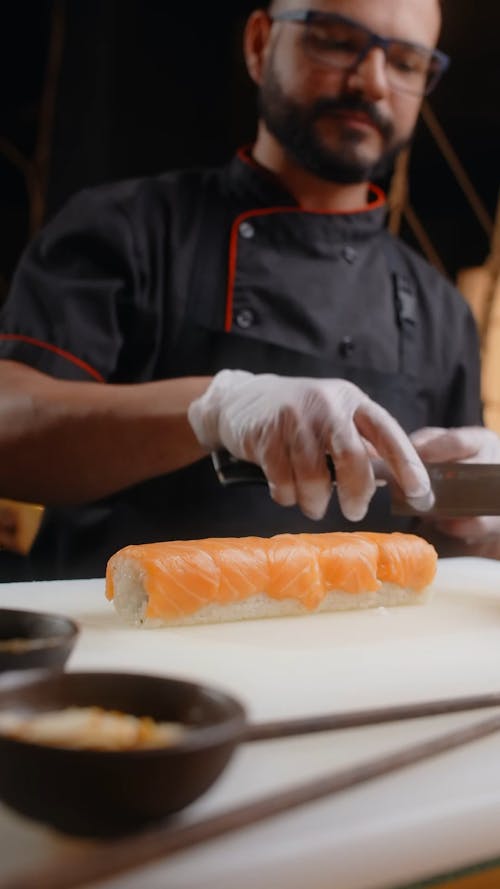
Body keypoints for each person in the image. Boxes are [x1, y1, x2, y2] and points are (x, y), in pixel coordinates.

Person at [0, 0, 498, 581]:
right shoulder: (126, 227)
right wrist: (215, 407)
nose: (372, 82)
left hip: (360, 662)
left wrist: (479, 515)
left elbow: (442, 539)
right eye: (336, 41)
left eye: (408, 63)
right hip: (124, 654)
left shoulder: (440, 307)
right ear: (260, 44)